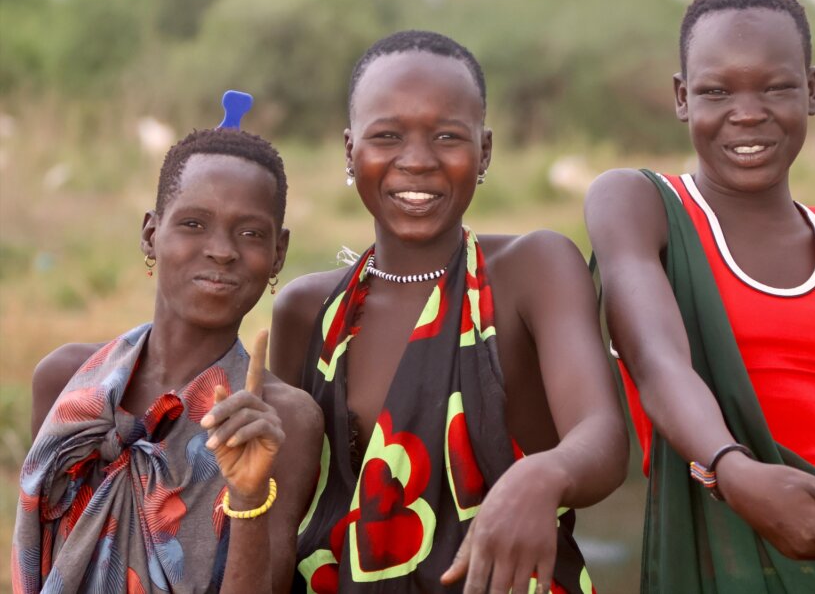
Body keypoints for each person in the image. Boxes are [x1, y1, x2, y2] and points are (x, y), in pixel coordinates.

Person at [585, 0, 815, 592]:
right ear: (683, 98)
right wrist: (734, 474)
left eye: (776, 87)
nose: (746, 113)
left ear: (812, 90)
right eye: (716, 91)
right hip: (705, 552)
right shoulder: (638, 205)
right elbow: (656, 362)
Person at [271, 30, 628, 594]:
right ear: (350, 151)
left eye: (447, 136)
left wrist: (542, 475)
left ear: (483, 151)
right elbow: (275, 499)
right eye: (387, 136)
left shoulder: (533, 269)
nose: (417, 161)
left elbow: (603, 438)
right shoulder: (308, 310)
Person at [14, 127, 324, 593]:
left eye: (250, 232)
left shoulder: (280, 418)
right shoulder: (68, 384)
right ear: (150, 233)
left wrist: (248, 493)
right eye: (194, 224)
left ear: (277, 253)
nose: (221, 250)